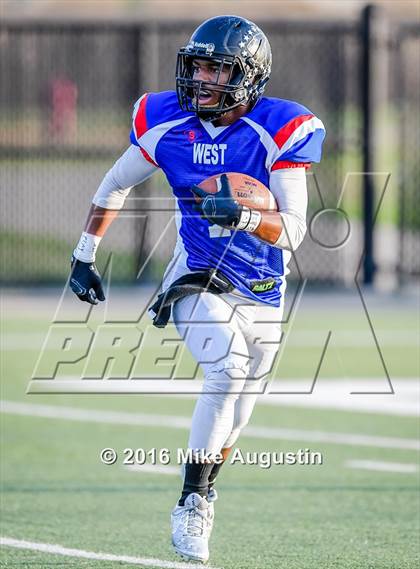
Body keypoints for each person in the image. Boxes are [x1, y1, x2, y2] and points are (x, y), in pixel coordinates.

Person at [69, 15, 325, 564]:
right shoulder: (166, 121)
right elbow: (114, 183)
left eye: (219, 68)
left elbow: (294, 232)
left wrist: (245, 217)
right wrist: (83, 255)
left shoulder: (279, 128)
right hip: (196, 273)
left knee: (241, 410)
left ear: (249, 75)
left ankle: (205, 487)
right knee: (226, 368)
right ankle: (190, 503)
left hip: (260, 284)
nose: (204, 78)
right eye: (199, 66)